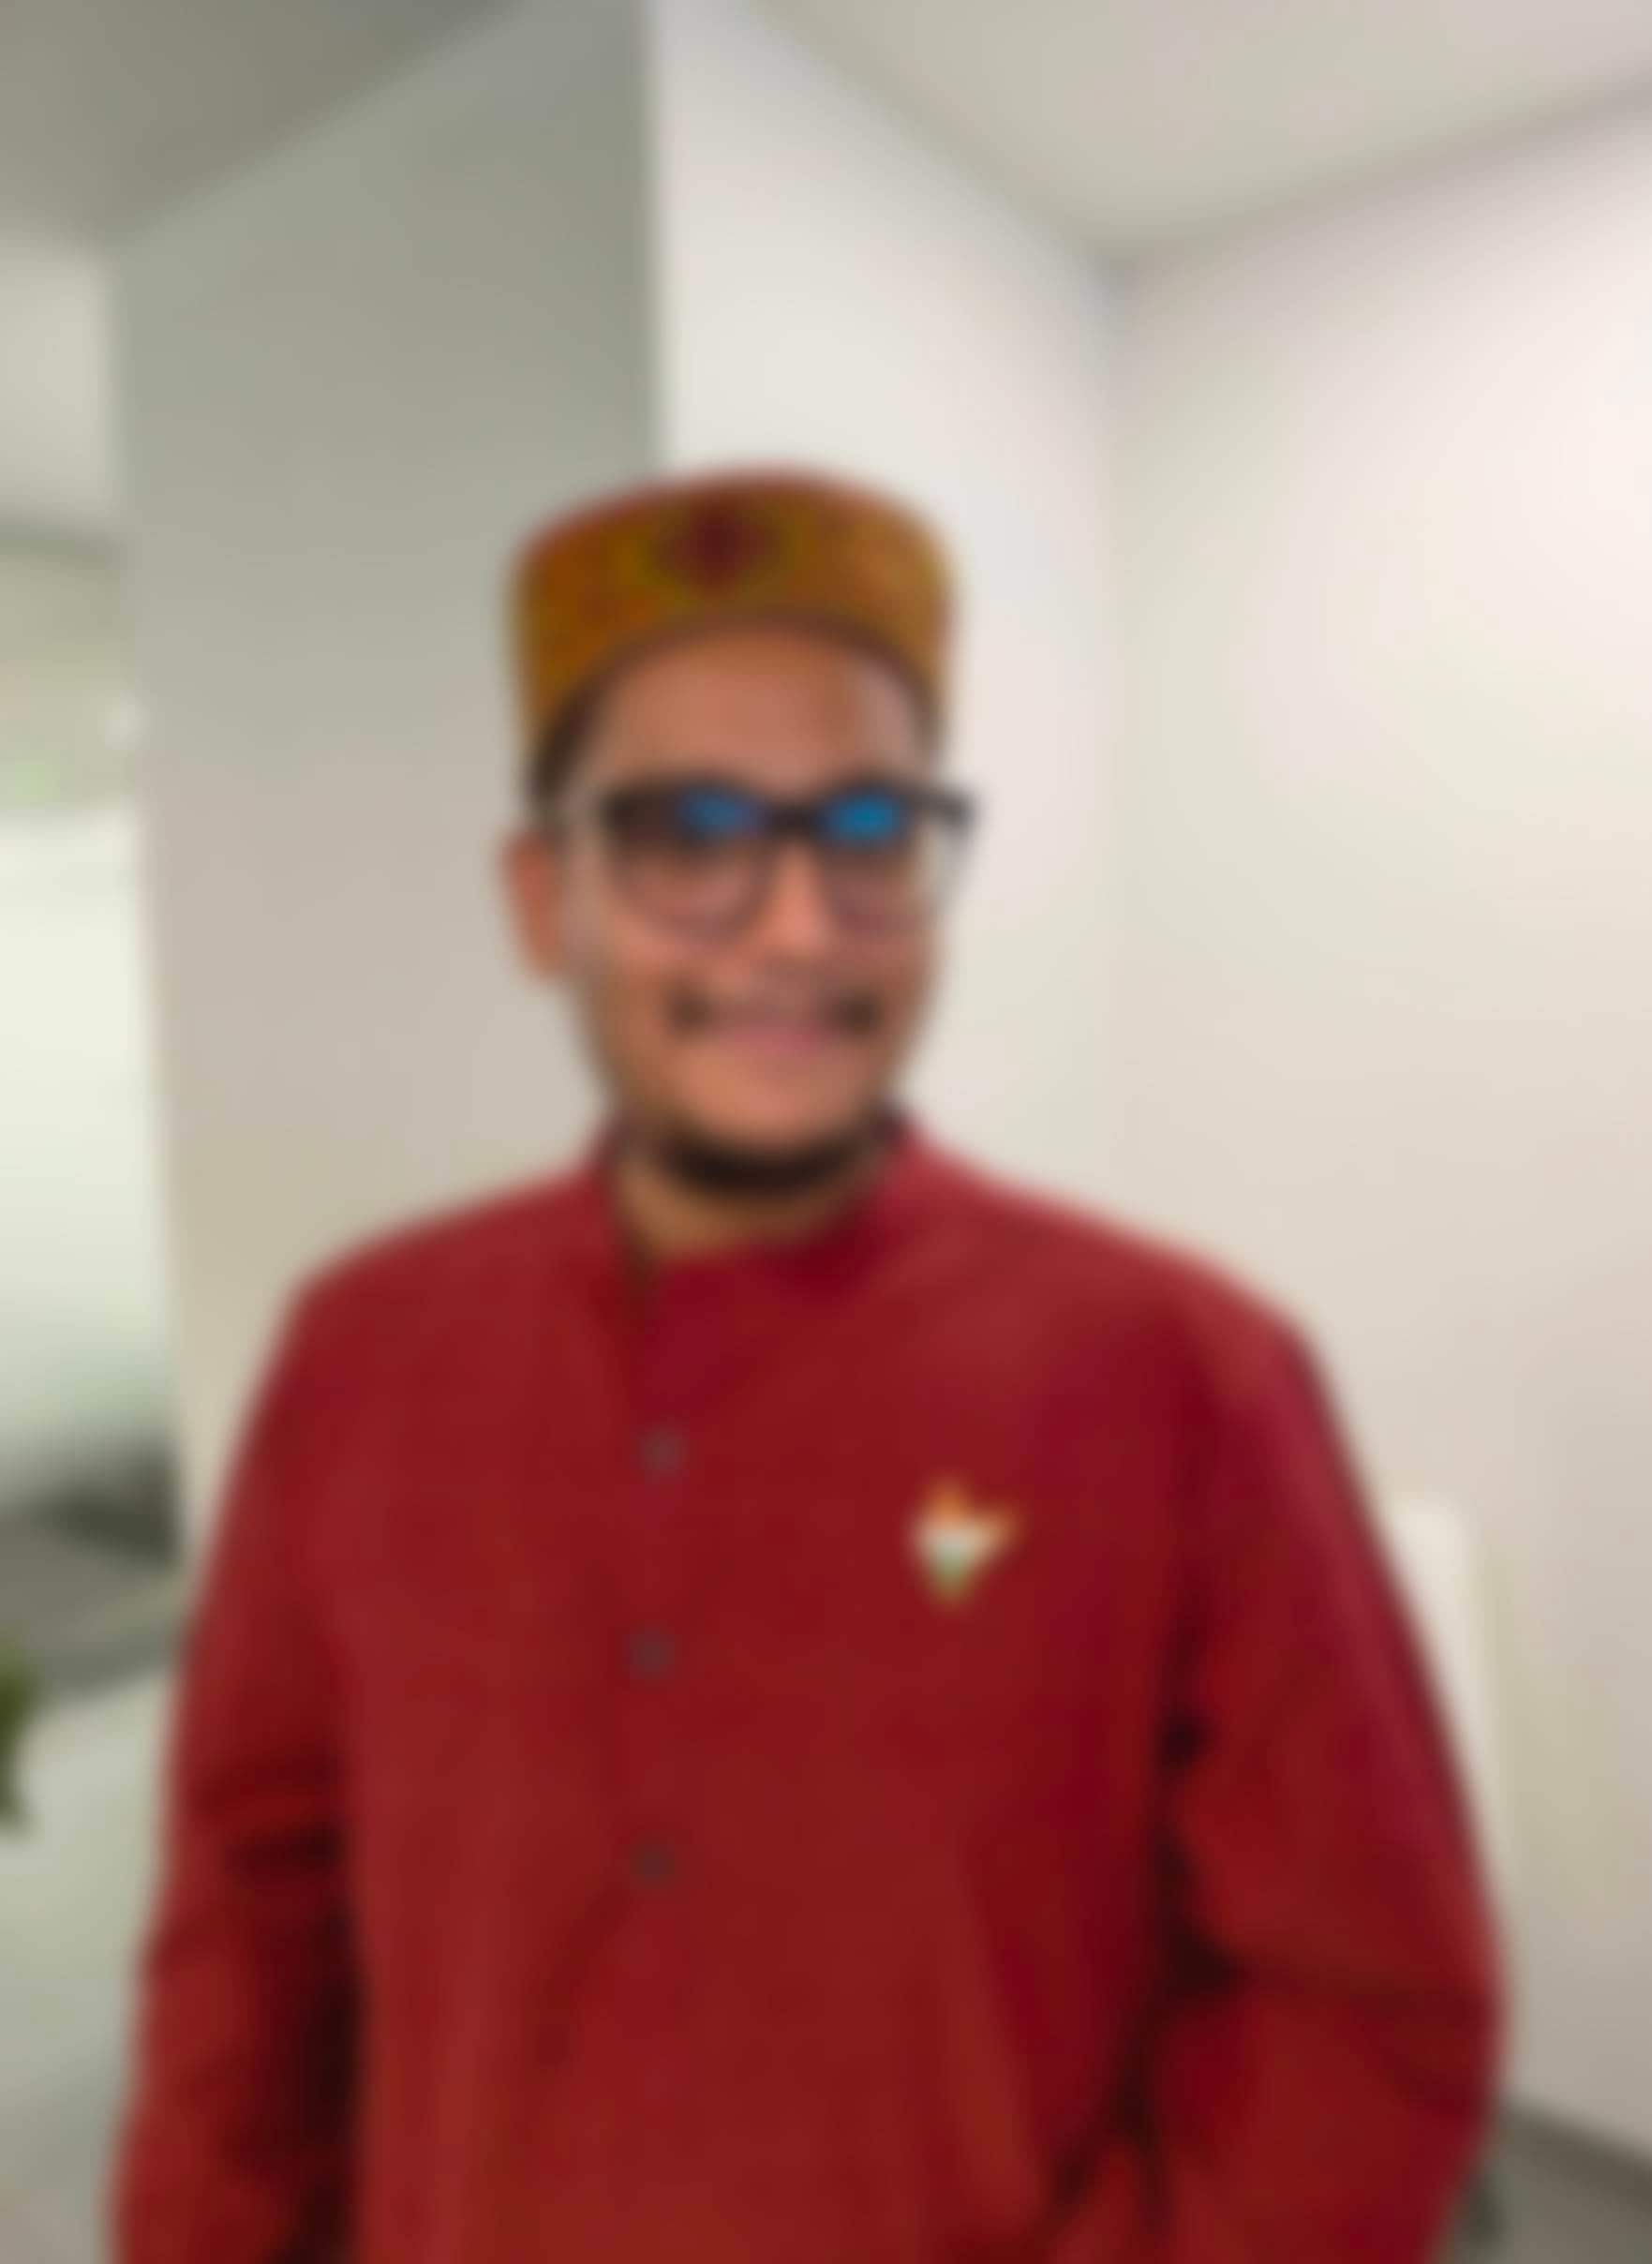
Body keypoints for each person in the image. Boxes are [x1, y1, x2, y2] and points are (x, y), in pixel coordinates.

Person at [114, 468, 1499, 2263]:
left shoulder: (1182, 1378)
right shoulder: (365, 1356)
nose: (793, 925)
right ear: (544, 899)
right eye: (688, 832)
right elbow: (249, 1946)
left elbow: (1364, 2008)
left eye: (865, 830)